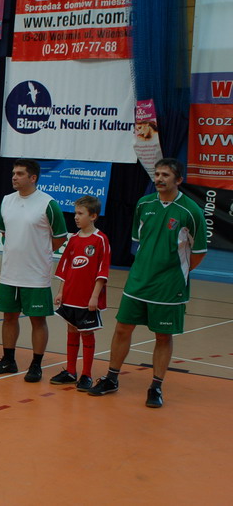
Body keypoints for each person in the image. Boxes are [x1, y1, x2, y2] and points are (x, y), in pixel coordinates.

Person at [89, 159, 207, 408]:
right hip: (138, 281)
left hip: (168, 287)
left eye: (166, 175)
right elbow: (140, 240)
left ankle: (156, 387)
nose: (159, 179)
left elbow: (198, 253)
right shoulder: (144, 204)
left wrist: (177, 274)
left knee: (163, 336)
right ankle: (111, 378)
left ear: (179, 180)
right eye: (157, 174)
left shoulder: (191, 211)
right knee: (122, 329)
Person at [0, 159, 67, 381]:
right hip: (9, 273)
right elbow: (5, 232)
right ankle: (8, 360)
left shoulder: (48, 204)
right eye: (14, 173)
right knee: (9, 317)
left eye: (20, 173)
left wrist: (39, 253)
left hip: (36, 275)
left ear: (33, 178)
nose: (14, 177)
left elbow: (60, 237)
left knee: (37, 320)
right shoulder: (6, 201)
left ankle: (36, 365)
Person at [49, 195, 111, 390]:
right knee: (71, 330)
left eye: (80, 213)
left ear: (93, 216)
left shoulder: (100, 240)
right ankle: (70, 371)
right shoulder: (74, 239)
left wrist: (94, 296)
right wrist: (61, 292)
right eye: (75, 213)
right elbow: (65, 267)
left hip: (87, 298)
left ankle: (86, 375)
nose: (76, 217)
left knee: (87, 333)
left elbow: (102, 271)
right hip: (70, 296)